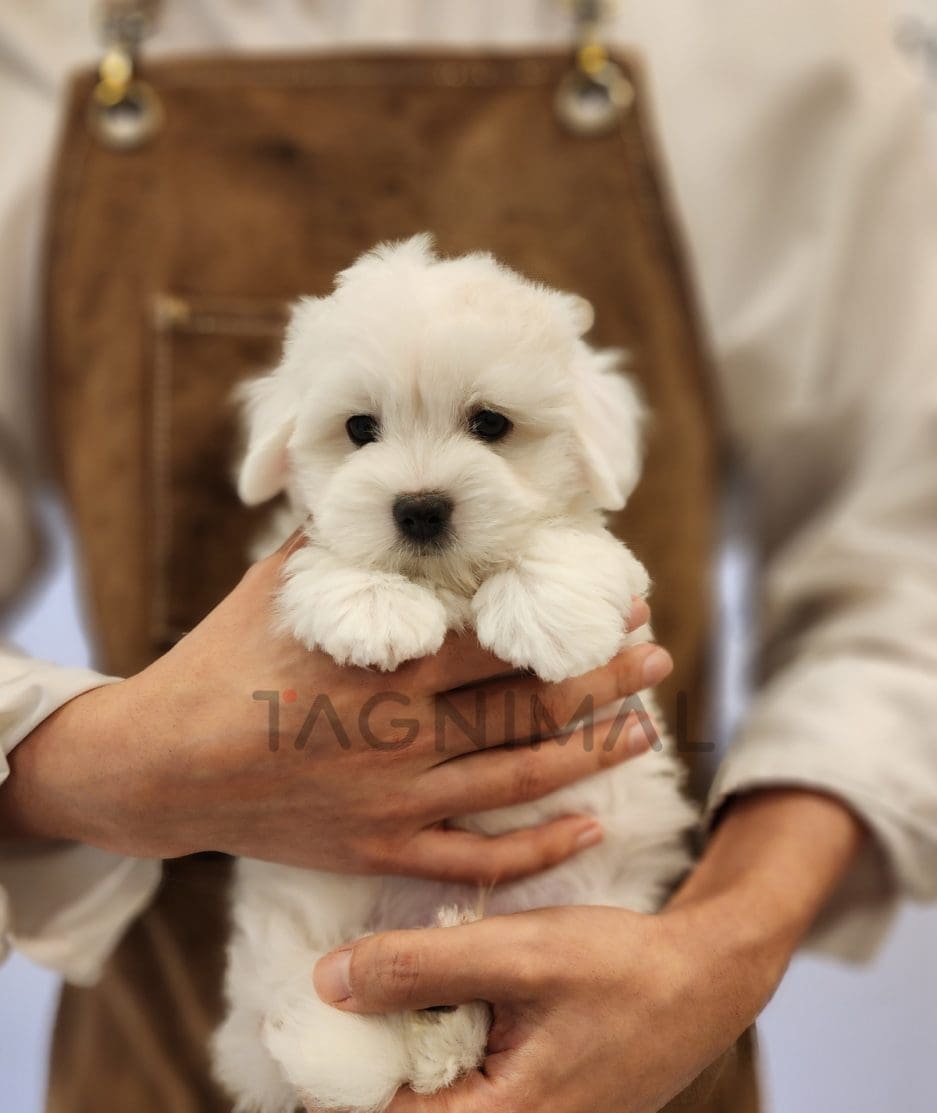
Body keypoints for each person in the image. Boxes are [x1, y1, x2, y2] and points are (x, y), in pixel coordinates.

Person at [2, 3, 937, 1112]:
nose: (420, 486)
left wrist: (724, 949)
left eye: (489, 425)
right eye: (361, 432)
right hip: (168, 1043)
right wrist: (105, 766)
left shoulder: (789, 32)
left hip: (629, 1040)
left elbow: (903, 574)